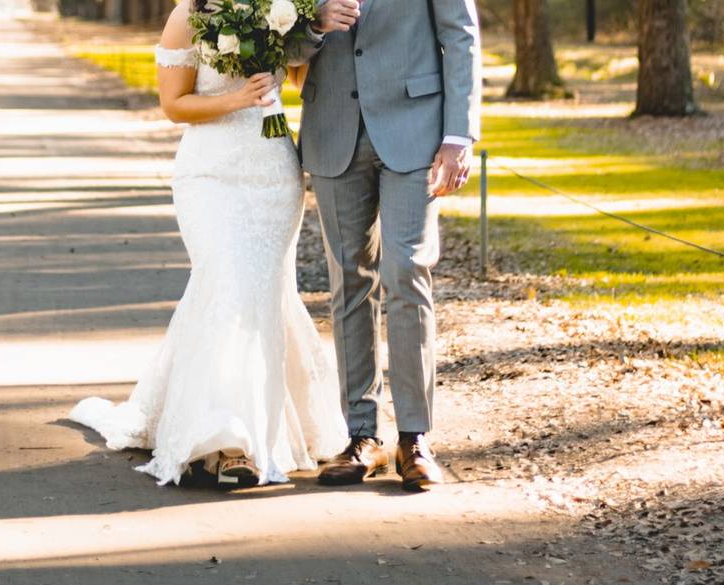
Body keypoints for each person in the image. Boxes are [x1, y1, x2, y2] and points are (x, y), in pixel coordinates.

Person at [68, 0, 349, 488]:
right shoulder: (187, 16)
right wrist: (236, 98)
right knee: (225, 284)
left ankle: (262, 424)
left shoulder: (285, 8)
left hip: (274, 171)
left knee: (263, 294)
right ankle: (225, 438)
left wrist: (314, 34)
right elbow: (174, 104)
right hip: (210, 173)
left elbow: (303, 79)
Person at [298, 0, 482, 490]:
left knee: (406, 272)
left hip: (415, 130)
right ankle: (361, 436)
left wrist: (459, 134)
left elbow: (460, 35)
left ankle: (414, 438)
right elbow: (280, 44)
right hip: (333, 126)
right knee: (349, 282)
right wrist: (314, 23)